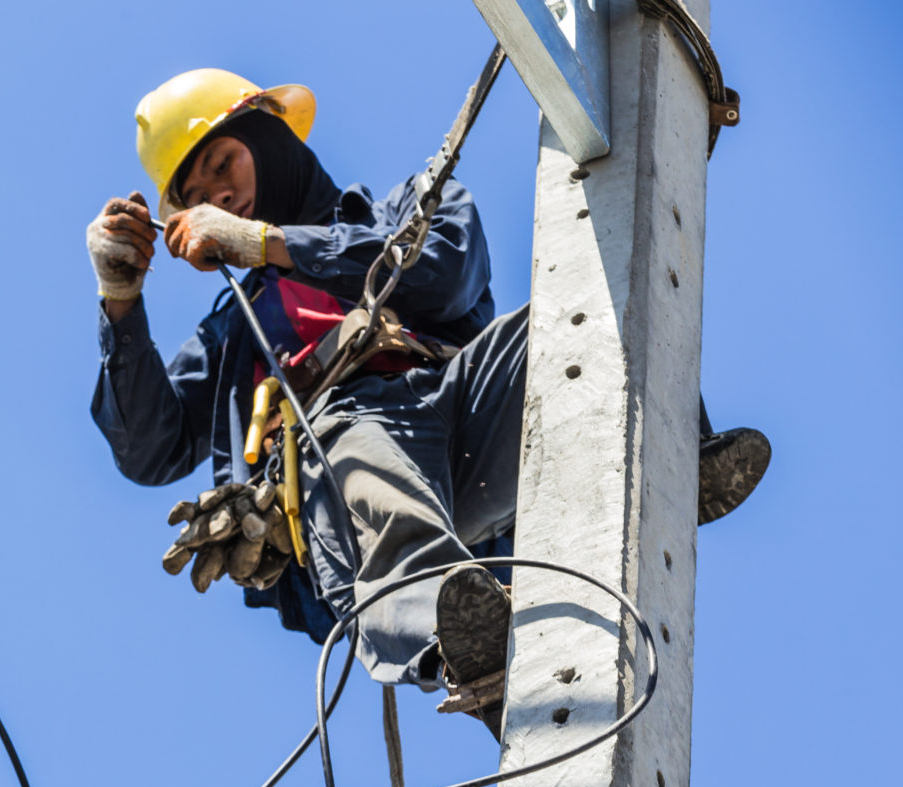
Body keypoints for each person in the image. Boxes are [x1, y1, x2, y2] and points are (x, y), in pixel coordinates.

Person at [85, 69, 770, 732]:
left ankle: (678, 458)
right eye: (194, 192)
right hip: (349, 478)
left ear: (268, 136)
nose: (215, 196)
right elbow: (149, 449)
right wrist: (120, 303)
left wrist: (269, 244)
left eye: (222, 165)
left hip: (459, 411)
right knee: (347, 435)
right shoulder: (238, 327)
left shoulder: (410, 204)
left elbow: (441, 279)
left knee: (577, 311)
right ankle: (453, 628)